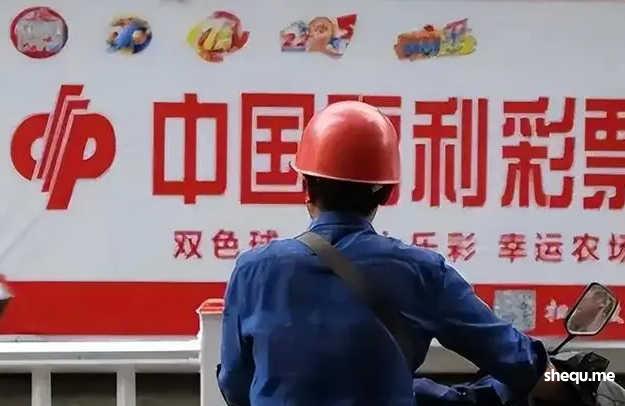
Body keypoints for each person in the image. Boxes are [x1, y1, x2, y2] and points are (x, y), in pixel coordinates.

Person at [218, 101, 571, 405]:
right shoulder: (422, 273)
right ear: (386, 192)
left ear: (306, 186)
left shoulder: (252, 271)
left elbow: (235, 384)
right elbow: (521, 364)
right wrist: (580, 381)